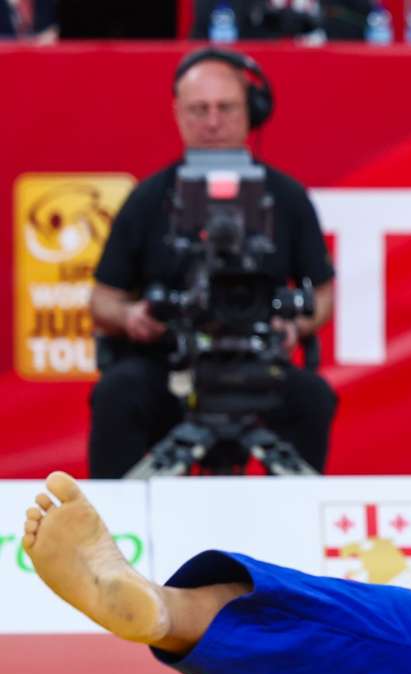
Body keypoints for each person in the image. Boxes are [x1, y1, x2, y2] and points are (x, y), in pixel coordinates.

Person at [88, 48, 338, 479]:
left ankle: (293, 517)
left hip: (258, 362)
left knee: (312, 397)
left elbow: (323, 293)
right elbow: (102, 299)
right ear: (178, 114)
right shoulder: (149, 199)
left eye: (226, 108)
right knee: (118, 393)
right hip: (169, 364)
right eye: (199, 109)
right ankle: (109, 517)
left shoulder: (287, 198)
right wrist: (131, 316)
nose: (213, 121)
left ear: (251, 112)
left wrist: (295, 325)